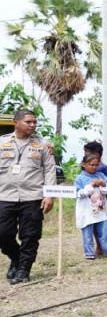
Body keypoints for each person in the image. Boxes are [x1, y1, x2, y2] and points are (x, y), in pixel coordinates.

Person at [0, 109, 56, 283]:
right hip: (5, 195)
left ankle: (23, 270)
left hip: (32, 196)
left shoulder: (43, 144)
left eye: (34, 122)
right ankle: (16, 258)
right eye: (28, 122)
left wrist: (49, 195)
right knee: (3, 234)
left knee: (30, 236)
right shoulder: (2, 142)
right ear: (16, 122)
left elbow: (49, 169)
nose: (32, 125)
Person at [75, 152, 107, 259]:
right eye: (91, 165)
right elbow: (78, 193)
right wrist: (91, 185)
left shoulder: (101, 176)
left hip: (100, 209)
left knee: (104, 230)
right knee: (87, 231)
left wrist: (103, 184)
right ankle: (89, 253)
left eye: (96, 165)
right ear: (84, 164)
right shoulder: (80, 178)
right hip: (86, 211)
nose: (94, 167)